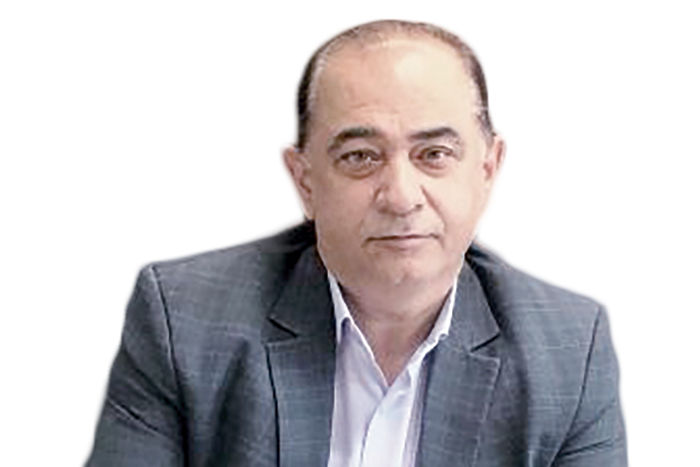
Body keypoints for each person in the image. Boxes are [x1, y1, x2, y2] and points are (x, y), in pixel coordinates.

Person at [86, 20, 626, 467]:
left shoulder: (568, 352)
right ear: (305, 181)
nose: (401, 196)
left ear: (487, 169)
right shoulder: (184, 322)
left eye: (434, 155)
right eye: (360, 157)